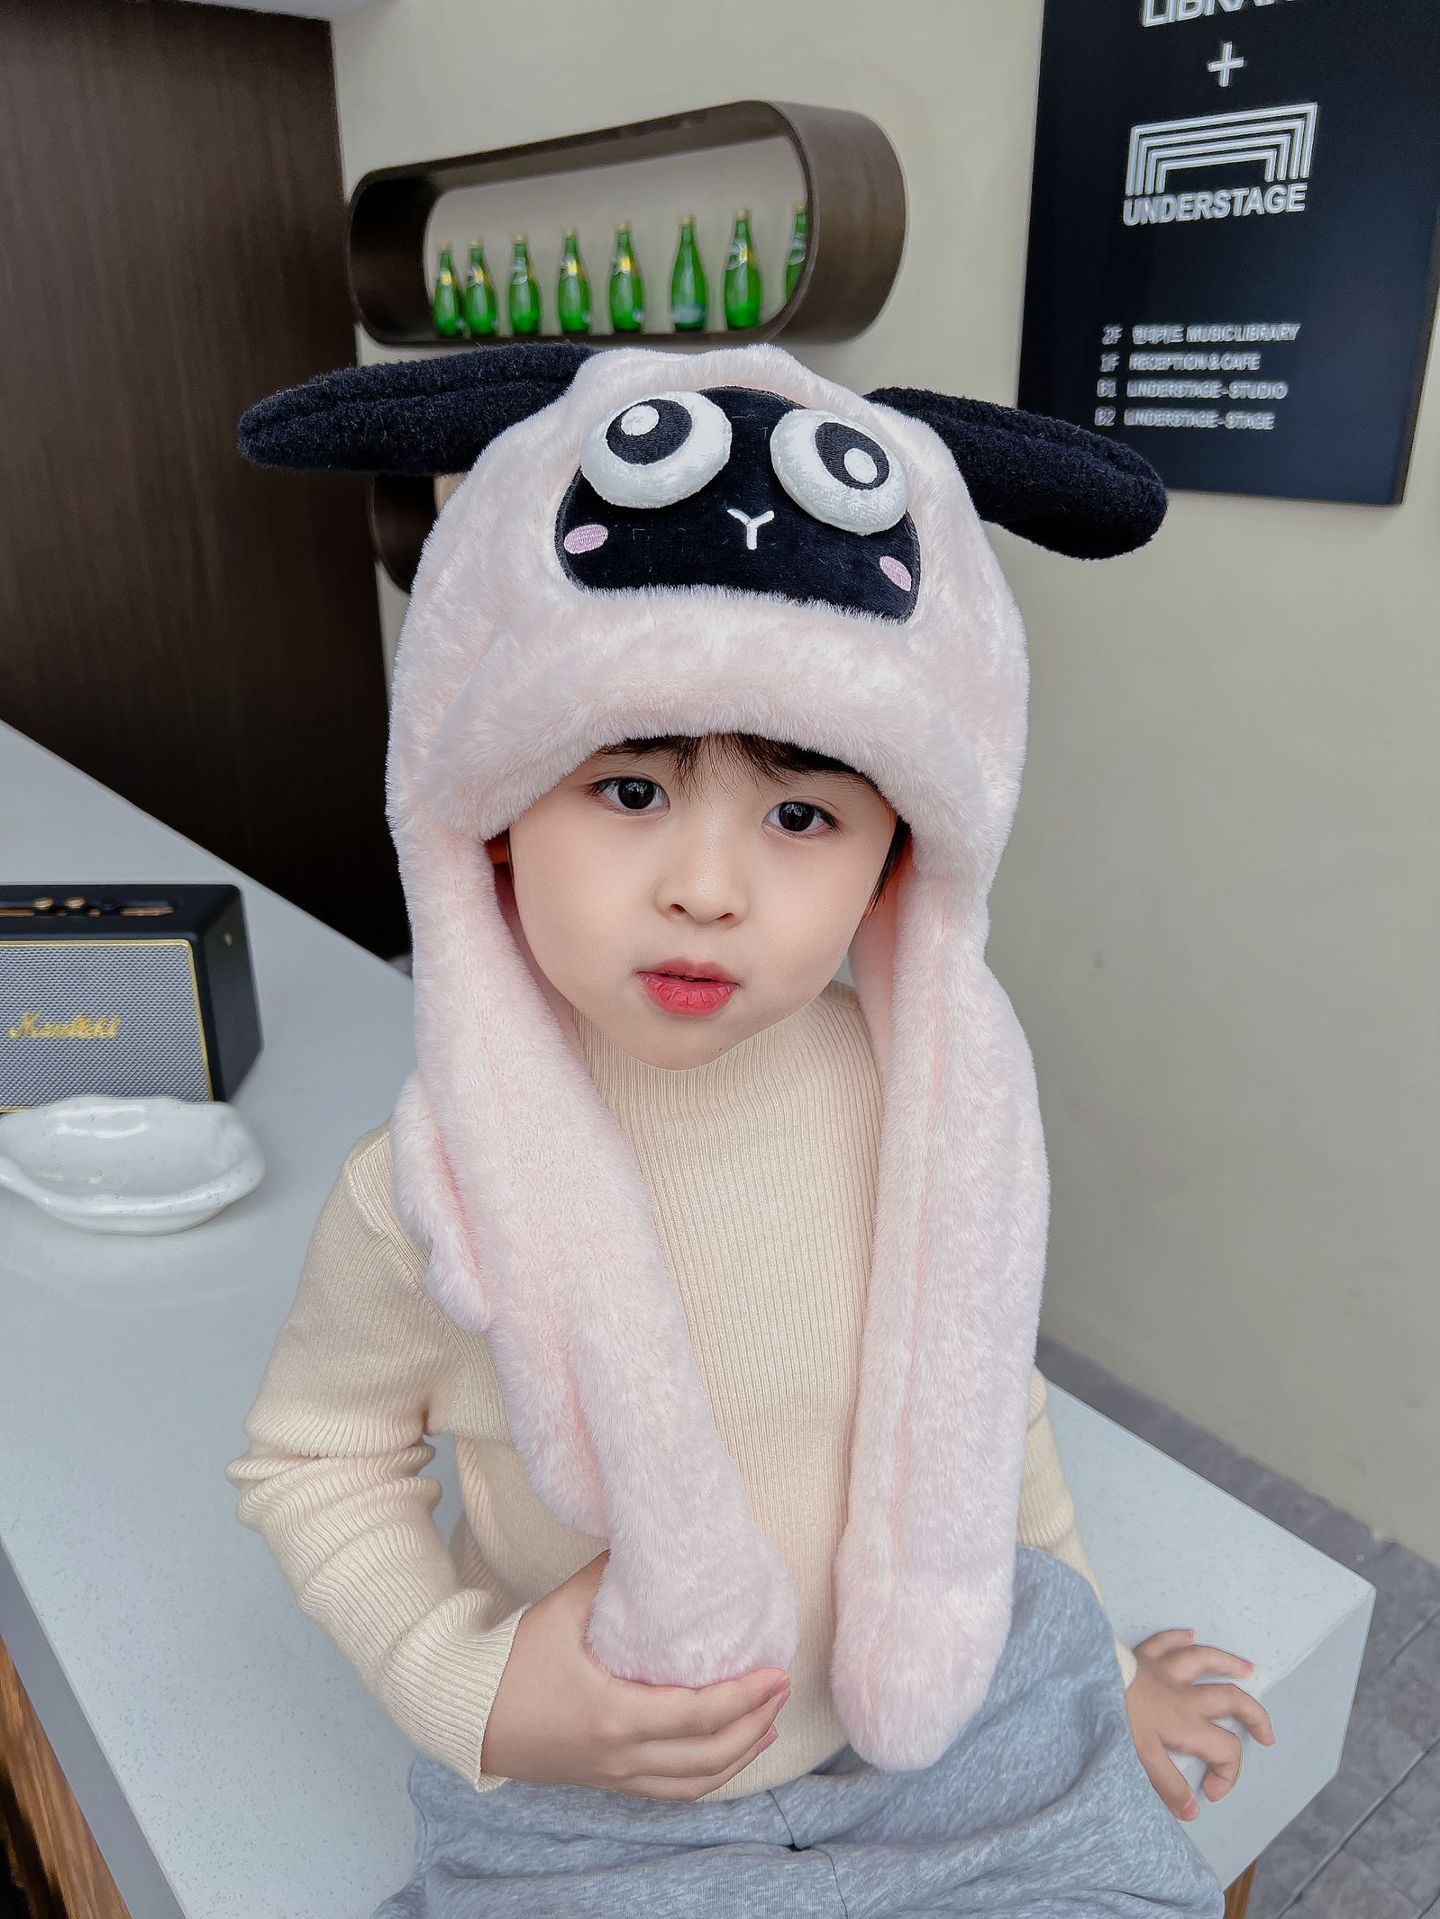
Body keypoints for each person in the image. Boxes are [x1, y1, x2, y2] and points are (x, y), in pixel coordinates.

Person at [226, 340, 1272, 1915]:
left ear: (898, 861)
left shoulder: (921, 1108)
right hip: (599, 1792)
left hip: (945, 1733)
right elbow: (314, 1458)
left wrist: (1088, 1672)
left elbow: (976, 1396)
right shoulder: (431, 1186)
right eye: (629, 790)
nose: (708, 889)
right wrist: (474, 1691)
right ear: (492, 818)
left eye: (800, 814)